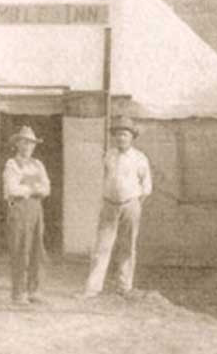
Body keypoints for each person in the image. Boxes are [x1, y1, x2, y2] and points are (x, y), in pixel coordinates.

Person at [81, 116, 152, 298]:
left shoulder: (139, 157)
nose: (121, 138)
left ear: (132, 137)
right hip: (109, 205)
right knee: (102, 246)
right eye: (118, 134)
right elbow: (101, 178)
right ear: (114, 137)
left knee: (127, 246)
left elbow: (146, 186)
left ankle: (124, 286)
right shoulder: (108, 155)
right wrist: (106, 200)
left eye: (125, 134)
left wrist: (134, 204)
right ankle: (92, 288)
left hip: (130, 205)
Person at [3, 125, 51, 305]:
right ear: (17, 144)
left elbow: (46, 189)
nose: (28, 147)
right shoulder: (11, 164)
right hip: (19, 210)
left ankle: (34, 290)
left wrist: (30, 189)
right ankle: (18, 292)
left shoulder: (38, 164)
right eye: (24, 143)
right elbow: (12, 189)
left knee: (36, 249)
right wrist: (33, 188)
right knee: (20, 249)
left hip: (36, 210)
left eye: (31, 144)